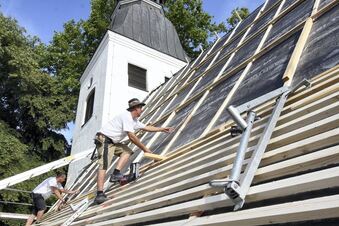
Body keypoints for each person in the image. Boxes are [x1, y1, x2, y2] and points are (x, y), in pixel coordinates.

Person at [94, 98, 173, 204]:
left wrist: (162, 129)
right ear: (135, 108)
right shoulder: (126, 116)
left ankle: (116, 174)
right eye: (141, 108)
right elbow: (131, 136)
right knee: (104, 164)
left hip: (113, 141)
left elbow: (146, 127)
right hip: (105, 139)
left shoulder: (134, 121)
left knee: (127, 151)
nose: (142, 110)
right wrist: (145, 149)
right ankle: (99, 194)